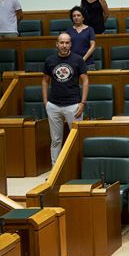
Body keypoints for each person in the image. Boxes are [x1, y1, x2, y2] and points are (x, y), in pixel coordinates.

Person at [42, 33, 89, 165]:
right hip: (54, 105)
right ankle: (55, 172)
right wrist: (46, 102)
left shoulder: (78, 60)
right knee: (56, 140)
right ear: (57, 44)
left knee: (75, 139)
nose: (64, 45)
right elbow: (45, 81)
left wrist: (83, 103)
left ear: (70, 44)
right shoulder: (50, 60)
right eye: (61, 42)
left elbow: (85, 81)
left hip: (73, 105)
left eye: (67, 42)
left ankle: (76, 170)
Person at [66, 6, 96, 70]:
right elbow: (66, 46)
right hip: (73, 63)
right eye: (74, 16)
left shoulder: (90, 29)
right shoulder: (69, 30)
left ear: (83, 17)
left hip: (88, 63)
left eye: (78, 15)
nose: (76, 17)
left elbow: (93, 46)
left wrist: (82, 59)